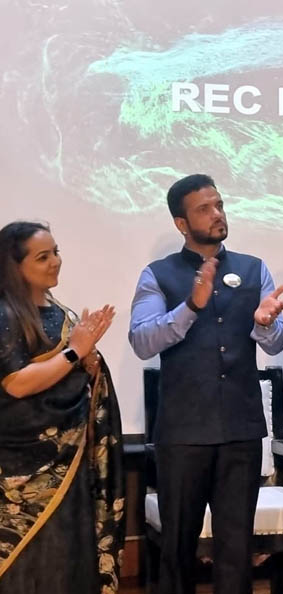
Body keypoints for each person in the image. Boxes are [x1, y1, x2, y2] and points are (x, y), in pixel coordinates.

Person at [128, 174, 283, 594]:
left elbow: (277, 340)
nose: (217, 214)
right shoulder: (158, 275)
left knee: (236, 549)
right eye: (204, 209)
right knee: (178, 549)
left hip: (241, 430)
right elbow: (142, 340)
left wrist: (265, 324)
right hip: (183, 433)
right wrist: (191, 305)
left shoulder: (253, 269)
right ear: (181, 224)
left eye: (219, 204)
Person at [0, 221, 124, 593]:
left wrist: (88, 364)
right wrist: (75, 353)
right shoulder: (5, 315)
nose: (55, 261)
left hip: (72, 459)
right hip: (20, 466)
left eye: (56, 252)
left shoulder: (61, 313)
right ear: (14, 265)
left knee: (69, 557)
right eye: (43, 256)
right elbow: (17, 383)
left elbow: (69, 371)